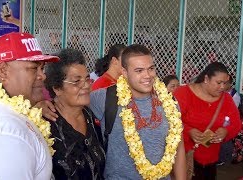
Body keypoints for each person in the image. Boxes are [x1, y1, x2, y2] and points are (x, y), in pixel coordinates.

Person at [39, 44, 187, 179]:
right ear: (124, 72)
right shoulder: (105, 98)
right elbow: (69, 99)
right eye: (139, 70)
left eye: (151, 68)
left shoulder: (170, 103)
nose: (147, 76)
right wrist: (39, 105)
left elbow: (178, 148)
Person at [0, 32, 60, 180]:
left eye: (42, 69)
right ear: (3, 70)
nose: (42, 76)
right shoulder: (4, 134)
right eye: (33, 68)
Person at [44, 48, 106, 179]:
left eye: (87, 79)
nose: (86, 86)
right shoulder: (46, 127)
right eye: (77, 81)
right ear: (57, 88)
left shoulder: (90, 116)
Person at [173, 62, 242, 180]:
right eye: (218, 83)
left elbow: (235, 124)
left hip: (210, 161)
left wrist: (225, 131)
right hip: (183, 157)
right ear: (206, 79)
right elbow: (169, 120)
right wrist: (188, 131)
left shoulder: (226, 99)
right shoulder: (183, 94)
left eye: (225, 83)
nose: (222, 87)